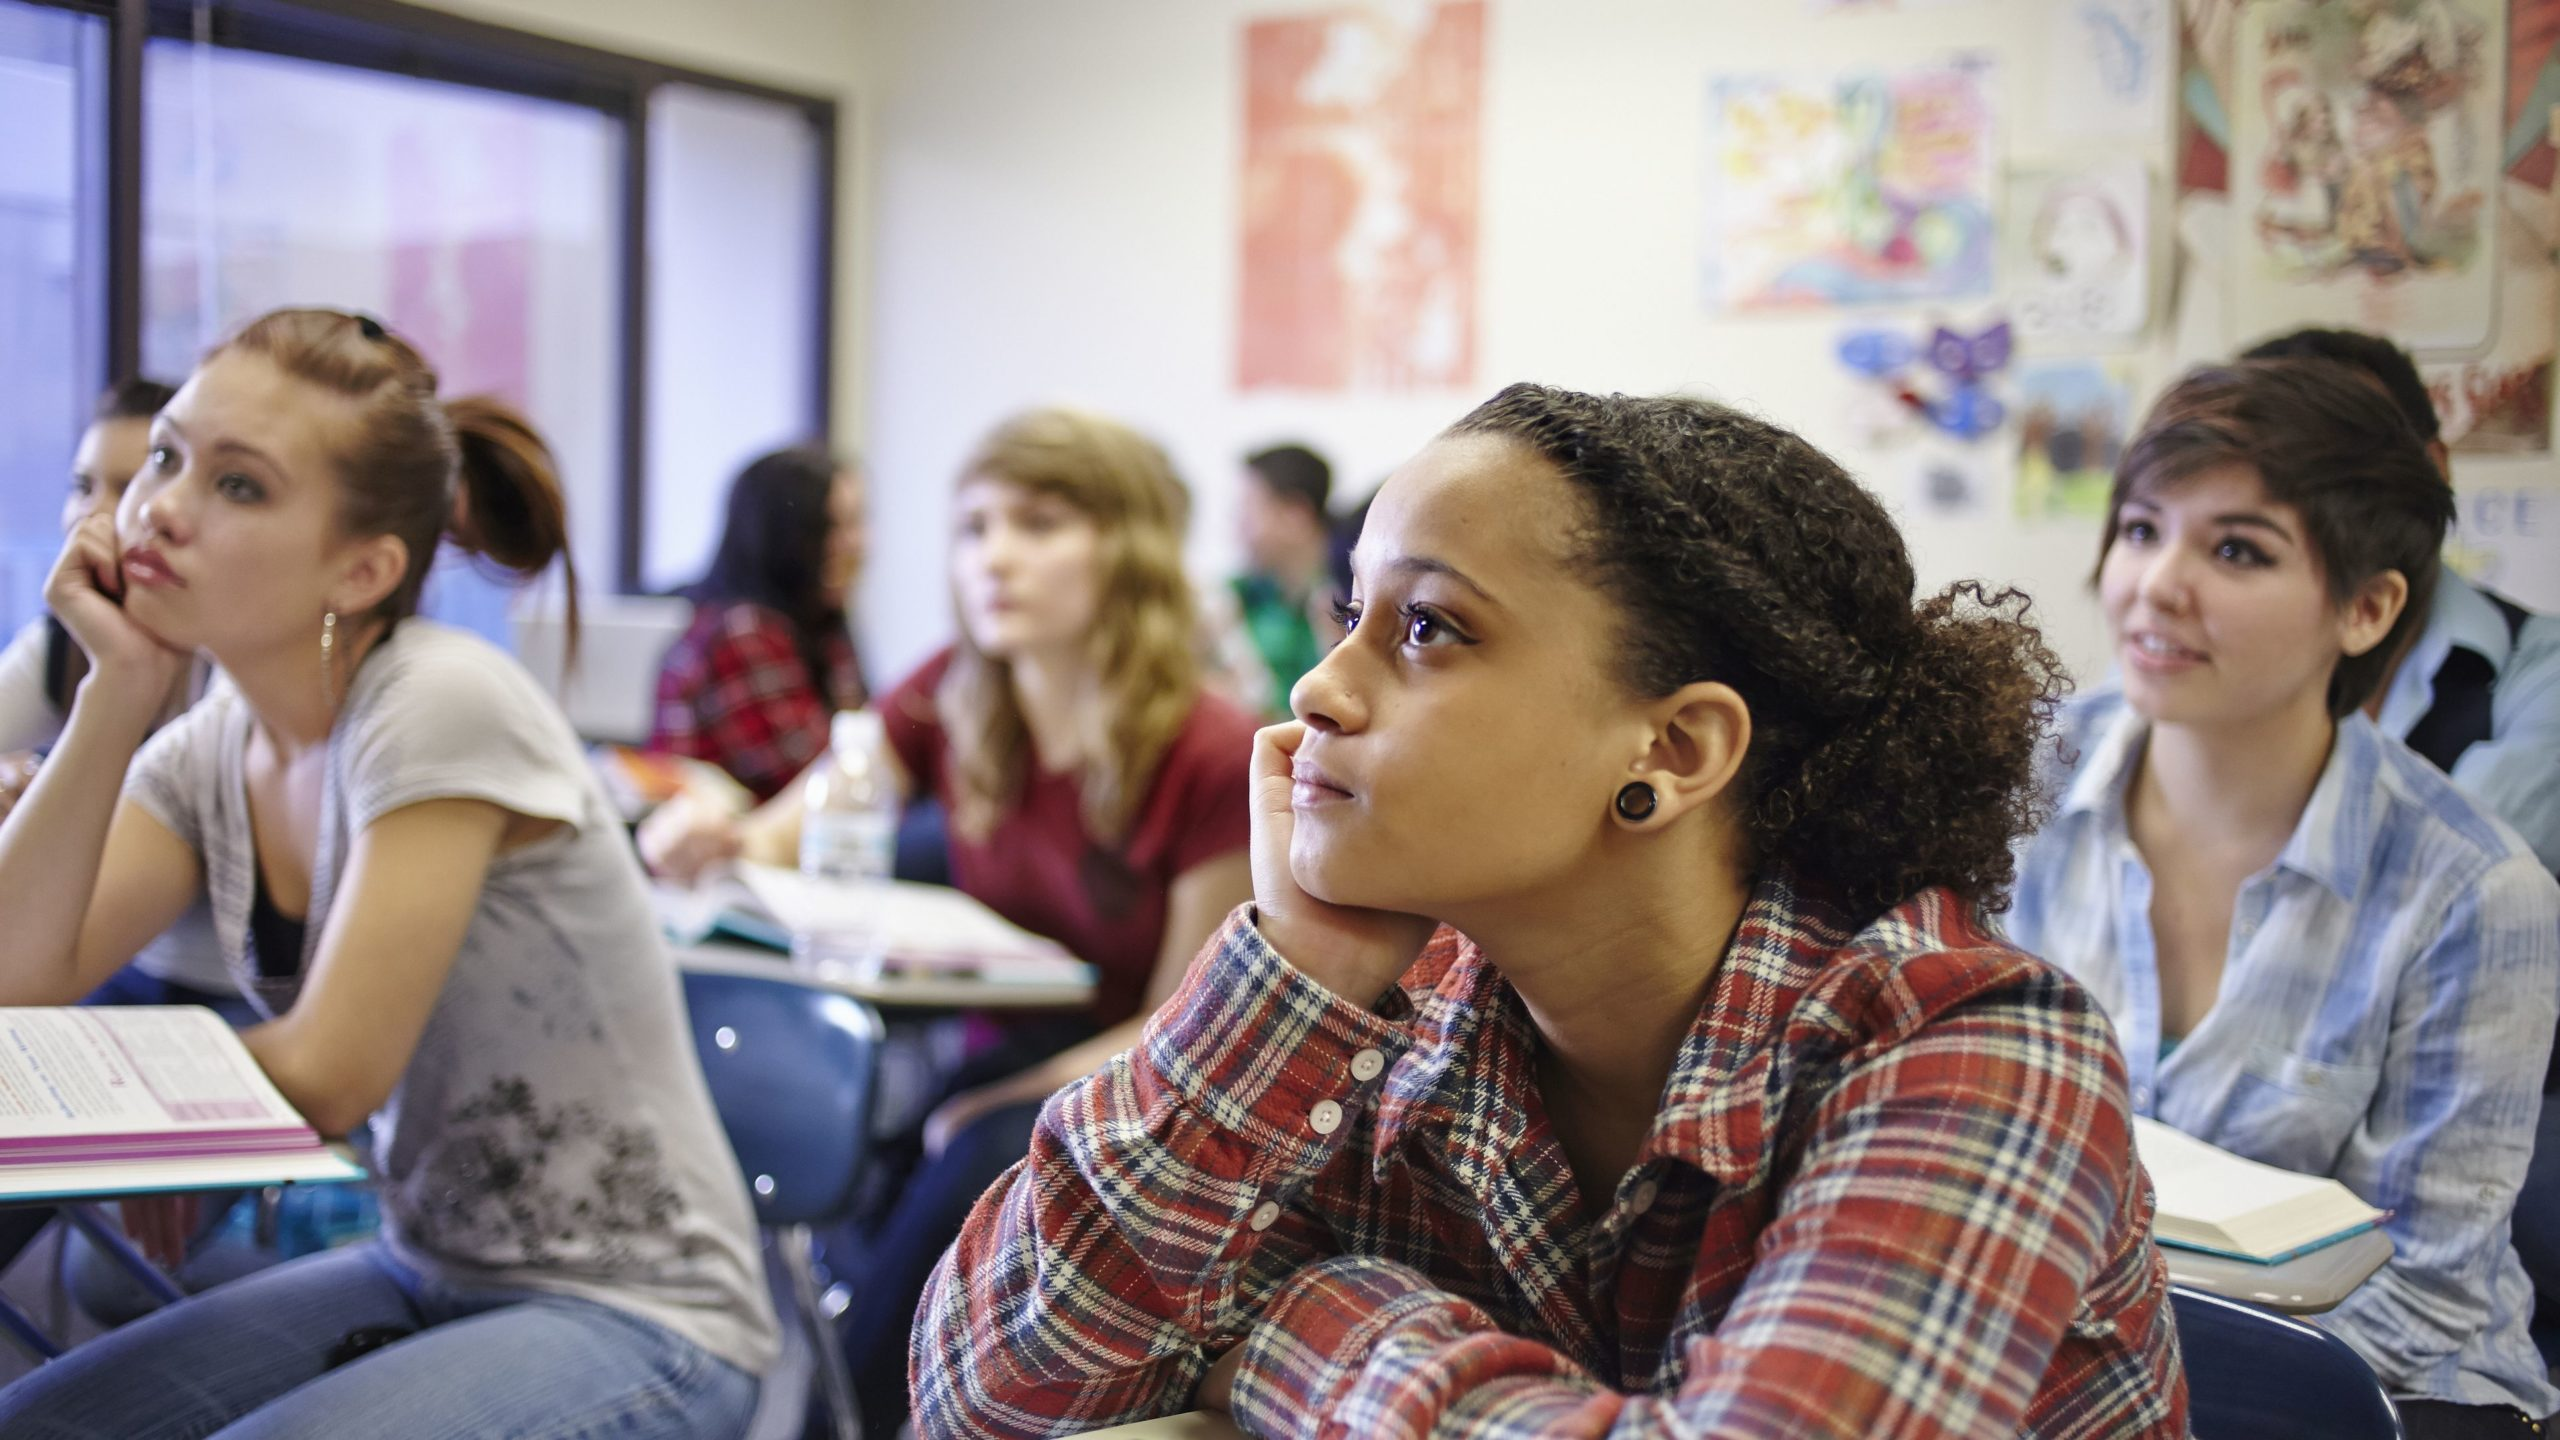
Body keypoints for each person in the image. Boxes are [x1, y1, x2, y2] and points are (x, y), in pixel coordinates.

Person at [912, 383, 2188, 1438]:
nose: (1317, 687)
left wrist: (1309, 1318)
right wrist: (1293, 973)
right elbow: (982, 1395)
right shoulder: (1401, 1013)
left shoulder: (1973, 1049)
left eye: (1425, 628)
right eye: (1348, 613)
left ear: (1674, 750)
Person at [0, 308, 775, 1439]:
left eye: (239, 486)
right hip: (429, 1267)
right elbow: (16, 980)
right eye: (166, 456)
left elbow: (330, 1071)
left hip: (643, 1313)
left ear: (362, 569)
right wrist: (115, 694)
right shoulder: (210, 746)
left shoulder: (434, 700)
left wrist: (166, 1117)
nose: (159, 506)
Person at [644, 405, 1259, 1433]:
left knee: (974, 1156)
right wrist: (705, 824)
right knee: (901, 1161)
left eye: (1039, 524)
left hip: (1146, 1091)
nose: (994, 559)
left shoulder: (1208, 750)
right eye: (973, 528)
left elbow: (1181, 1030)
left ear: (1131, 551)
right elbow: (772, 836)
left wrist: (1001, 1100)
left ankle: (851, 1419)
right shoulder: (954, 693)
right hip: (1006, 1056)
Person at [2008, 359, 2560, 1438]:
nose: (2156, 585)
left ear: (2366, 608)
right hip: (2050, 1356)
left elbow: (2424, 1295)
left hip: (2372, 1392)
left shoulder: (2473, 891)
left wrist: (2094, 1371)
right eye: (2138, 529)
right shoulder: (2011, 781)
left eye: (2235, 551)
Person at [2238, 327, 2558, 875]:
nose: (2300, 504)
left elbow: (2456, 876)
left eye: (2337, 466)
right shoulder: (2188, 654)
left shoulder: (2537, 669)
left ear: (2433, 468)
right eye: (2265, 473)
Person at [650, 444, 869, 802]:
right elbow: (825, 779)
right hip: (730, 848)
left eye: (857, 522)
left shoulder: (821, 622)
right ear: (782, 535)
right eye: (830, 527)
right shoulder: (743, 631)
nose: (857, 544)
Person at [1202, 443, 1338, 718]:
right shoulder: (1232, 599)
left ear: (1295, 515)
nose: (1237, 527)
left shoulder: (1352, 596)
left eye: (1248, 510)